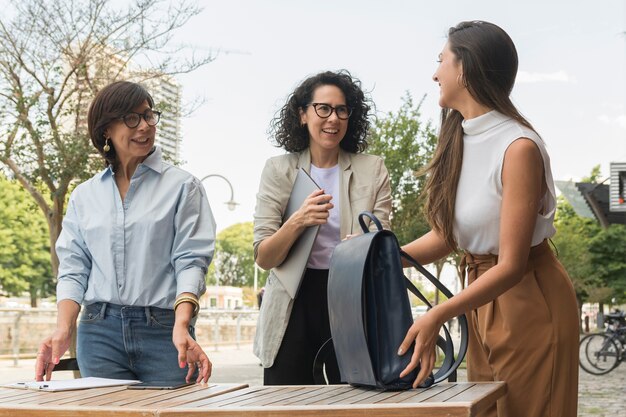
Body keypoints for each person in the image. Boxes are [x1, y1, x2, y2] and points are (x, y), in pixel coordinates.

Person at [396, 21, 578, 417]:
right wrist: (381, 255)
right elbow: (448, 237)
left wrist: (438, 314)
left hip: (529, 301)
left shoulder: (518, 147)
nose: (434, 72)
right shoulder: (459, 138)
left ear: (465, 68)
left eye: (441, 60)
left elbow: (511, 265)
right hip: (481, 301)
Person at [35, 81, 216, 385]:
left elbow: (191, 261)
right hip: (99, 331)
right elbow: (74, 268)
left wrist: (182, 324)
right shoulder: (85, 195)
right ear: (106, 130)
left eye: (148, 116)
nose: (144, 126)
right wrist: (63, 329)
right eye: (132, 118)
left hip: (165, 332)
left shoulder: (184, 187)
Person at [253, 70, 392, 385]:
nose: (333, 118)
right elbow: (264, 257)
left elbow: (384, 239)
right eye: (323, 108)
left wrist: (366, 244)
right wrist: (298, 220)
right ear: (303, 114)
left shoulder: (373, 169)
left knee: (355, 400)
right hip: (294, 299)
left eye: (342, 110)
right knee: (286, 404)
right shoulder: (278, 170)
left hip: (352, 297)